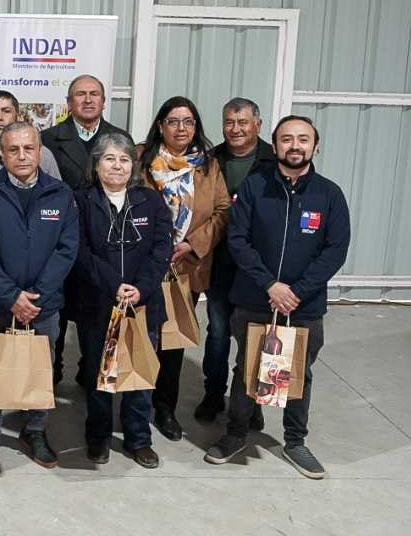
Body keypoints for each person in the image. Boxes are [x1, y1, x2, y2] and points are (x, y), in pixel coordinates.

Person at [205, 116, 350, 480]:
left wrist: (297, 292)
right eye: (287, 139)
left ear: (315, 146)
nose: (295, 145)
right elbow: (238, 240)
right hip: (255, 299)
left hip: (304, 305)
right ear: (275, 145)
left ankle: (295, 441)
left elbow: (335, 250)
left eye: (303, 139)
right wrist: (270, 285)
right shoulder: (255, 187)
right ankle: (235, 433)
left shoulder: (330, 195)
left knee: (300, 373)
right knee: (246, 369)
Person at [0, 121, 78, 470]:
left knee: (40, 367)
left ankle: (35, 430)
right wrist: (11, 296)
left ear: (39, 151)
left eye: (28, 148)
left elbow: (67, 249)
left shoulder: (60, 194)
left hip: (43, 305)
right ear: (1, 154)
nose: (21, 156)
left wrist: (37, 296)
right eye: (13, 149)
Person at [0, 89, 62, 417]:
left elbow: (58, 217)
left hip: (36, 274)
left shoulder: (44, 158)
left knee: (37, 341)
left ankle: (32, 412)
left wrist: (39, 287)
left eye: (6, 110)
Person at [73, 132, 172, 467]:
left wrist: (140, 288)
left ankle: (138, 439)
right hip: (98, 303)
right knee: (98, 375)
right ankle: (98, 437)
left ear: (134, 166)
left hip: (143, 304)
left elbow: (162, 249)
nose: (117, 166)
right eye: (109, 158)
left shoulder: (151, 201)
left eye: (125, 159)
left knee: (139, 376)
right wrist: (113, 285)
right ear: (96, 165)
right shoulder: (81, 201)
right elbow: (80, 251)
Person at [137, 96, 230, 442]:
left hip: (185, 267)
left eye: (188, 122)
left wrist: (192, 244)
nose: (181, 128)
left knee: (172, 343)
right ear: (160, 125)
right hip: (145, 265)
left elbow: (223, 211)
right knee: (140, 337)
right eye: (173, 121)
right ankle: (135, 406)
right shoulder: (141, 160)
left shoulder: (208, 165)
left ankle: (165, 407)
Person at [41, 74, 130, 387]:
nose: (88, 99)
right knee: (58, 309)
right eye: (81, 94)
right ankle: (51, 371)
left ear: (104, 102)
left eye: (94, 94)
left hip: (103, 241)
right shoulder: (48, 139)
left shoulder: (120, 137)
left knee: (97, 312)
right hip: (59, 238)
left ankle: (90, 369)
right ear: (69, 102)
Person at [195, 97, 276, 426]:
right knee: (218, 332)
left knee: (256, 335)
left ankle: (252, 401)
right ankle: (213, 394)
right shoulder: (210, 159)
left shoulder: (273, 160)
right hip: (221, 262)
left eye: (243, 122)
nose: (236, 129)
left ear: (258, 124)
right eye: (229, 122)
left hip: (259, 266)